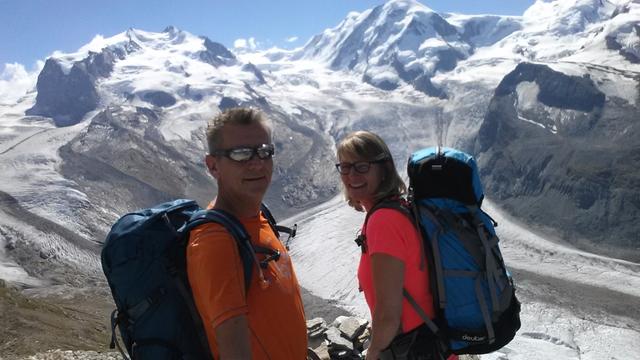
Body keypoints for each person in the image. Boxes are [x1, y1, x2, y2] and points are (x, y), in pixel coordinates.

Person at [187, 107, 307, 359]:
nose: (257, 163)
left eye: (264, 151)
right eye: (240, 154)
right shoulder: (215, 240)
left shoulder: (257, 218)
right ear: (213, 166)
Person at [335, 131, 457, 360]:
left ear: (384, 168)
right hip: (429, 344)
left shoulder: (384, 221)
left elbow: (388, 315)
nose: (351, 175)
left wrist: (373, 352)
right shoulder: (397, 207)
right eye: (345, 167)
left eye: (361, 166)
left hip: (414, 349)